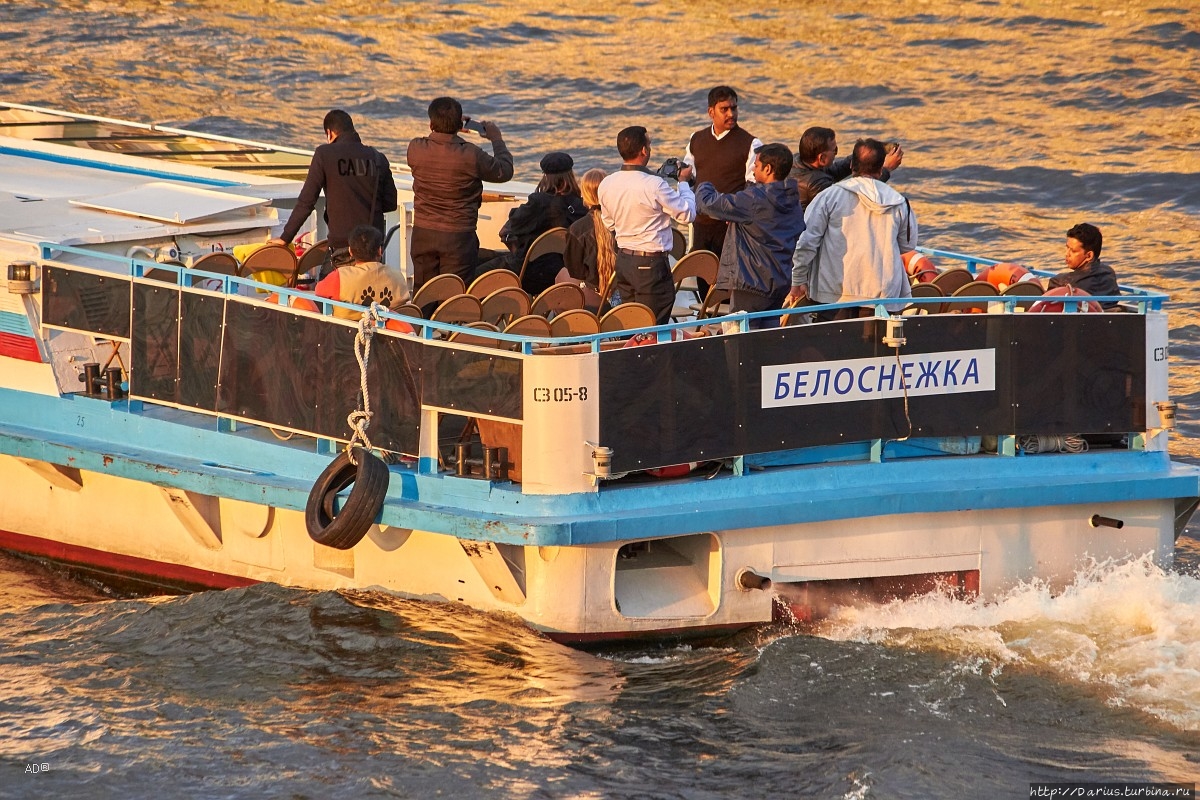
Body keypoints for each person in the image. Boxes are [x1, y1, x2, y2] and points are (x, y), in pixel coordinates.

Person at [788, 138, 917, 319]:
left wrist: (798, 279)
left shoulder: (829, 196)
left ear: (851, 166)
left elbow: (807, 242)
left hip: (835, 294)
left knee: (835, 345)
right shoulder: (900, 202)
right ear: (881, 169)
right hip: (883, 296)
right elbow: (907, 246)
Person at [406, 96, 514, 290]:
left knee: (424, 293)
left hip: (423, 234)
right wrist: (496, 138)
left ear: (431, 124)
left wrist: (451, 128)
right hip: (458, 237)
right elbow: (504, 170)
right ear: (459, 124)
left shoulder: (415, 148)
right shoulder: (471, 155)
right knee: (454, 297)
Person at [695, 143, 804, 328]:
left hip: (752, 283)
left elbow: (708, 203)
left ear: (768, 169)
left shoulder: (755, 200)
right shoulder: (791, 197)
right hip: (779, 282)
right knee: (767, 339)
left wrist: (703, 182)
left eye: (757, 164)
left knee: (741, 341)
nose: (753, 167)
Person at [271, 110, 398, 269]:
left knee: (329, 290)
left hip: (343, 245)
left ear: (329, 133)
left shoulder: (325, 154)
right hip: (373, 246)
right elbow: (390, 203)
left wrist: (285, 237)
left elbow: (307, 201)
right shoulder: (378, 157)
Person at [598, 126, 696, 324]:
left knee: (633, 324)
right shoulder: (654, 184)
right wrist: (684, 182)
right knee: (653, 326)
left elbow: (609, 223)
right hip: (651, 265)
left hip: (625, 261)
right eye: (649, 144)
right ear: (644, 150)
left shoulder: (606, 184)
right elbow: (686, 214)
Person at [683, 86, 763, 290]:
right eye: (725, 109)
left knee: (728, 285)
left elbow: (753, 186)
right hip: (701, 223)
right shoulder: (696, 139)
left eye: (734, 108)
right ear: (711, 112)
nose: (731, 114)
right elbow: (690, 176)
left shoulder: (751, 143)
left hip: (730, 226)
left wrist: (735, 212)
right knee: (702, 281)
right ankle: (708, 321)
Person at [488, 151, 586, 296]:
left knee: (473, 271)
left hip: (529, 274)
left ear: (545, 176)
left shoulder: (539, 202)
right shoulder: (580, 205)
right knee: (492, 256)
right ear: (570, 175)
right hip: (562, 273)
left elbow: (513, 224)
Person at [794, 126, 903, 211]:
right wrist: (886, 169)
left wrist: (872, 152)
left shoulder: (800, 162)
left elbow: (836, 170)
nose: (836, 153)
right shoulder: (815, 184)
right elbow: (852, 198)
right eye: (834, 150)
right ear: (821, 158)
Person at [313, 224, 410, 320]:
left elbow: (318, 292)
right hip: (390, 333)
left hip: (347, 332)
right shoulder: (398, 277)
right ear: (380, 251)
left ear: (350, 251)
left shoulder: (339, 277)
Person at [564, 168, 619, 309]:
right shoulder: (624, 222)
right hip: (625, 298)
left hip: (592, 303)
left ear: (585, 194)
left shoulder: (577, 229)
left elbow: (575, 271)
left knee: (561, 278)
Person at [1048, 222, 1120, 308]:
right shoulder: (1109, 273)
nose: (1067, 254)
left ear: (1089, 255)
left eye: (1073, 251)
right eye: (1067, 248)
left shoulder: (1060, 282)